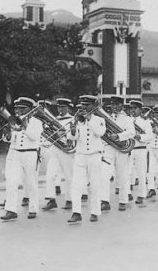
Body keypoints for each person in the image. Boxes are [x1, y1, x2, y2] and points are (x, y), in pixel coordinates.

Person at [0, 97, 43, 221]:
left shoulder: (36, 122)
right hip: (14, 154)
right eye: (17, 108)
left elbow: (34, 137)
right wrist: (7, 134)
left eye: (22, 108)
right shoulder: (13, 120)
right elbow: (8, 139)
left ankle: (33, 208)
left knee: (31, 182)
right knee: (11, 182)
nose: (19, 111)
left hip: (30, 154)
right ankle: (11, 210)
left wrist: (25, 126)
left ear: (30, 109)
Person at [67, 95, 106, 224]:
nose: (84, 107)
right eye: (83, 105)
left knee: (94, 185)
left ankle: (94, 212)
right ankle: (76, 212)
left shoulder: (100, 120)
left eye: (87, 105)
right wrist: (73, 131)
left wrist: (89, 119)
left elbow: (100, 133)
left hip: (94, 155)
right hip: (80, 155)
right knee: (76, 185)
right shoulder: (77, 119)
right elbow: (72, 138)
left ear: (93, 107)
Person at [101, 96, 135, 211]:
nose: (114, 107)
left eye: (116, 104)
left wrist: (119, 136)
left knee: (122, 176)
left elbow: (132, 132)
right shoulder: (107, 117)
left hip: (121, 149)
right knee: (104, 175)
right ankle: (105, 201)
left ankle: (123, 200)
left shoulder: (127, 119)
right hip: (108, 149)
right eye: (112, 104)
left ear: (122, 105)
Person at [42, 98, 76, 211]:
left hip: (66, 150)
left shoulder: (72, 120)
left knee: (68, 176)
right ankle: (51, 200)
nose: (60, 109)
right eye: (58, 107)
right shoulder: (54, 119)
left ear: (68, 108)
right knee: (50, 175)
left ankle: (70, 200)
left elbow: (74, 136)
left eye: (62, 107)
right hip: (54, 150)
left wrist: (65, 135)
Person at [128, 100, 154, 204]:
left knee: (141, 174)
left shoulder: (145, 122)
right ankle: (127, 193)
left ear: (140, 110)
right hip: (128, 150)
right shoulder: (128, 121)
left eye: (135, 108)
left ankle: (141, 195)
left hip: (140, 149)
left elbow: (150, 136)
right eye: (131, 108)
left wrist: (140, 136)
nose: (133, 110)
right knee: (127, 173)